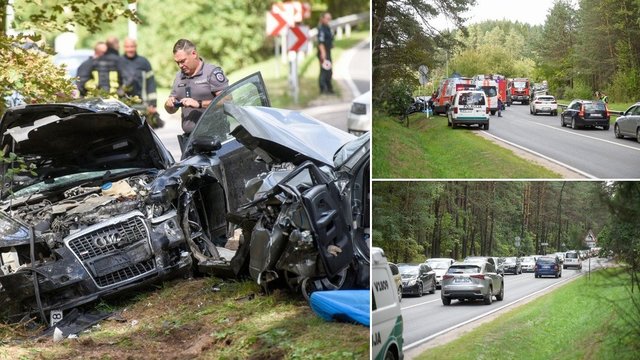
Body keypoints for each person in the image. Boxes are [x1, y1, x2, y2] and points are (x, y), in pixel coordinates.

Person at [164, 39, 229, 147]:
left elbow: (227, 100)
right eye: (177, 63)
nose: (180, 65)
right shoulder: (179, 76)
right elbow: (170, 110)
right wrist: (169, 104)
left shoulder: (211, 72)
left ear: (194, 54)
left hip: (214, 137)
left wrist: (199, 103)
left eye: (183, 61)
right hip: (189, 140)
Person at [122, 38, 163, 128]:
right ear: (124, 47)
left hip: (143, 105)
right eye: (127, 47)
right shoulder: (119, 62)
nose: (130, 49)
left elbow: (151, 83)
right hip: (124, 105)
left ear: (136, 47)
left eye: (132, 46)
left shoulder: (144, 62)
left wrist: (153, 104)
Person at [317, 12, 334, 94]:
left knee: (329, 71)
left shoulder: (327, 27)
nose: (328, 20)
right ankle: (323, 89)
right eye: (327, 18)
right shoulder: (321, 29)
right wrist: (323, 54)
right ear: (323, 19)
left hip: (328, 51)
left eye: (329, 19)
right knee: (324, 71)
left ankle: (329, 88)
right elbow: (320, 42)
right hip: (323, 52)